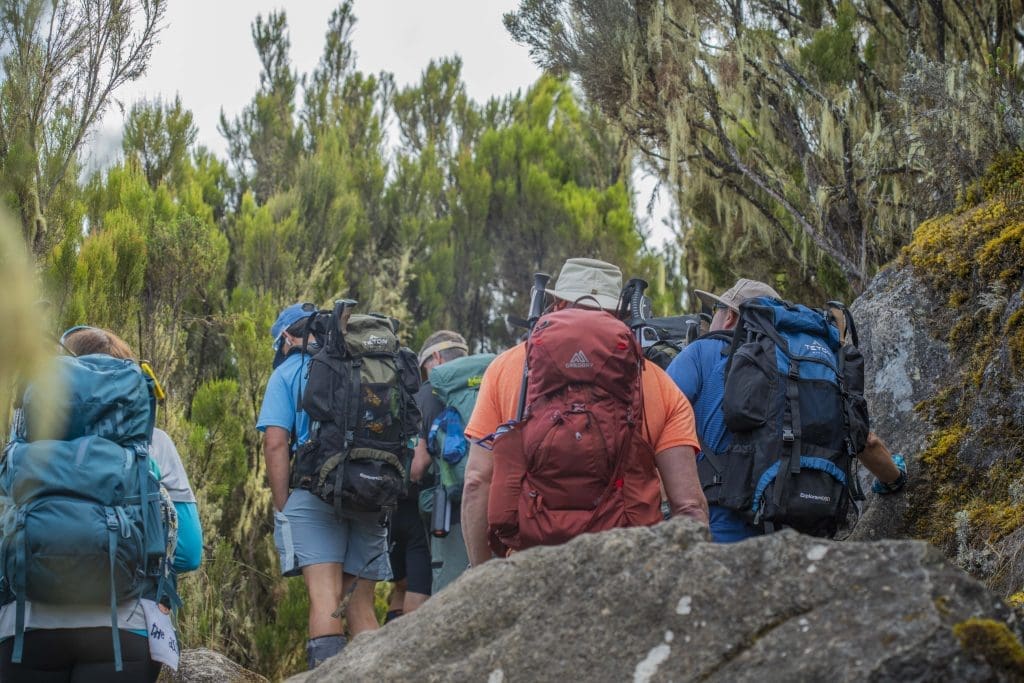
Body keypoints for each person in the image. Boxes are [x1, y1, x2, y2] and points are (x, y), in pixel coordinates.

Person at [460, 258, 709, 567]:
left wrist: (479, 573)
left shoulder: (506, 368)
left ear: (556, 302)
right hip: (626, 565)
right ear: (619, 311)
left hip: (528, 564)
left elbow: (476, 481)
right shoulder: (656, 381)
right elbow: (689, 506)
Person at [0, 326, 203, 682]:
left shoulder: (24, 440)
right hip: (125, 630)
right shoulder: (153, 443)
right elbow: (189, 552)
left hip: (25, 628)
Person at [665, 278, 909, 543]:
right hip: (802, 533)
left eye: (715, 311)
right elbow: (864, 440)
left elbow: (654, 419)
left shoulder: (702, 353)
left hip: (721, 528)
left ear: (730, 317)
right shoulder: (810, 364)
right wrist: (894, 478)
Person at [257, 303, 390, 669]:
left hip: (314, 492)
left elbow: (275, 442)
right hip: (371, 489)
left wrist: (284, 503)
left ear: (286, 337)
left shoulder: (288, 372)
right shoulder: (362, 365)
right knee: (360, 603)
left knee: (326, 598)